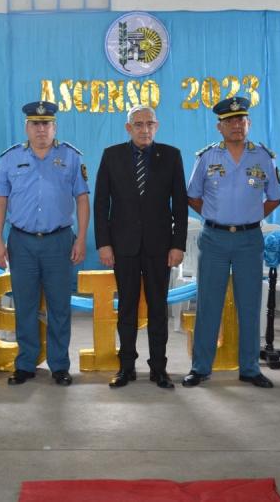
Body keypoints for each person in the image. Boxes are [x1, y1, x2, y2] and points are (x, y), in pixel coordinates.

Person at [182, 97, 280, 389]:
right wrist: (216, 217)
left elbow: (274, 197)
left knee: (249, 305)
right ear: (219, 126)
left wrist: (249, 217)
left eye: (242, 120)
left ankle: (250, 368)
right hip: (214, 239)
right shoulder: (207, 157)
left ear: (248, 124)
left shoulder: (264, 157)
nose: (237, 125)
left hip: (250, 239)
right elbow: (193, 196)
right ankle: (200, 367)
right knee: (209, 304)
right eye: (230, 121)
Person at [0, 101, 89, 386]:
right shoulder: (10, 159)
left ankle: (59, 365)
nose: (41, 129)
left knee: (59, 305)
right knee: (25, 304)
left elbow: (82, 199)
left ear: (54, 127)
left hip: (59, 241)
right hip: (21, 242)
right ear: (27, 127)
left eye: (46, 123)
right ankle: (26, 363)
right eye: (35, 123)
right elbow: (0, 200)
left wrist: (81, 238)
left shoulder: (71, 157)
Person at [94, 105, 187, 390]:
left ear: (157, 126)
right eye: (138, 124)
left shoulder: (171, 156)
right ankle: (126, 368)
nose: (144, 129)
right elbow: (101, 204)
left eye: (150, 124)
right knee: (127, 309)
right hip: (123, 246)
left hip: (160, 247)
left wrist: (178, 245)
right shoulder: (112, 156)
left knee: (159, 309)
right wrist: (104, 244)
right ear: (128, 128)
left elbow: (180, 205)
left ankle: (159, 368)